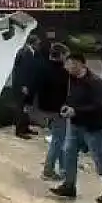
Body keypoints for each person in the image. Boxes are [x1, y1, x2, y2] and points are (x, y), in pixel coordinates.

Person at [49, 52, 102, 203]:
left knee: (101, 160)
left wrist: (77, 110)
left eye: (69, 65)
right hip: (75, 124)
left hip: (92, 127)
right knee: (68, 153)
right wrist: (66, 107)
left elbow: (99, 105)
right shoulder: (73, 80)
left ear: (79, 64)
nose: (66, 68)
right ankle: (69, 186)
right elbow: (71, 98)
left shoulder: (95, 82)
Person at [34, 43, 71, 181]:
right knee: (58, 140)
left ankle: (63, 169)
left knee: (59, 138)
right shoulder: (63, 73)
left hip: (45, 108)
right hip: (57, 110)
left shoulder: (43, 67)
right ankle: (48, 171)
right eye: (66, 55)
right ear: (61, 55)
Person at [10, 34, 40, 139]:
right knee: (20, 108)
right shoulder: (25, 53)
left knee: (26, 107)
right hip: (22, 86)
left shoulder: (30, 52)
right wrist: (23, 85)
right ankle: (19, 130)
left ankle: (25, 127)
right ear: (33, 42)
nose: (39, 45)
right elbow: (21, 71)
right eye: (38, 43)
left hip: (27, 85)